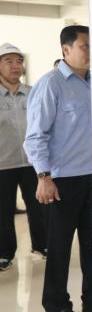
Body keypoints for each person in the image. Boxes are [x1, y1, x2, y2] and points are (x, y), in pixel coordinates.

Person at [24, 26, 92, 312]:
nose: (91, 51)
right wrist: (43, 177)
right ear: (66, 49)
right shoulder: (51, 85)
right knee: (60, 245)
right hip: (61, 179)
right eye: (85, 46)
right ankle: (56, 306)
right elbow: (35, 136)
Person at [0, 43, 47, 271]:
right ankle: (4, 253)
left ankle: (42, 245)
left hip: (32, 162)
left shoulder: (33, 92)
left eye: (19, 61)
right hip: (2, 164)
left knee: (39, 206)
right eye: (8, 61)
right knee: (3, 211)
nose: (15, 66)